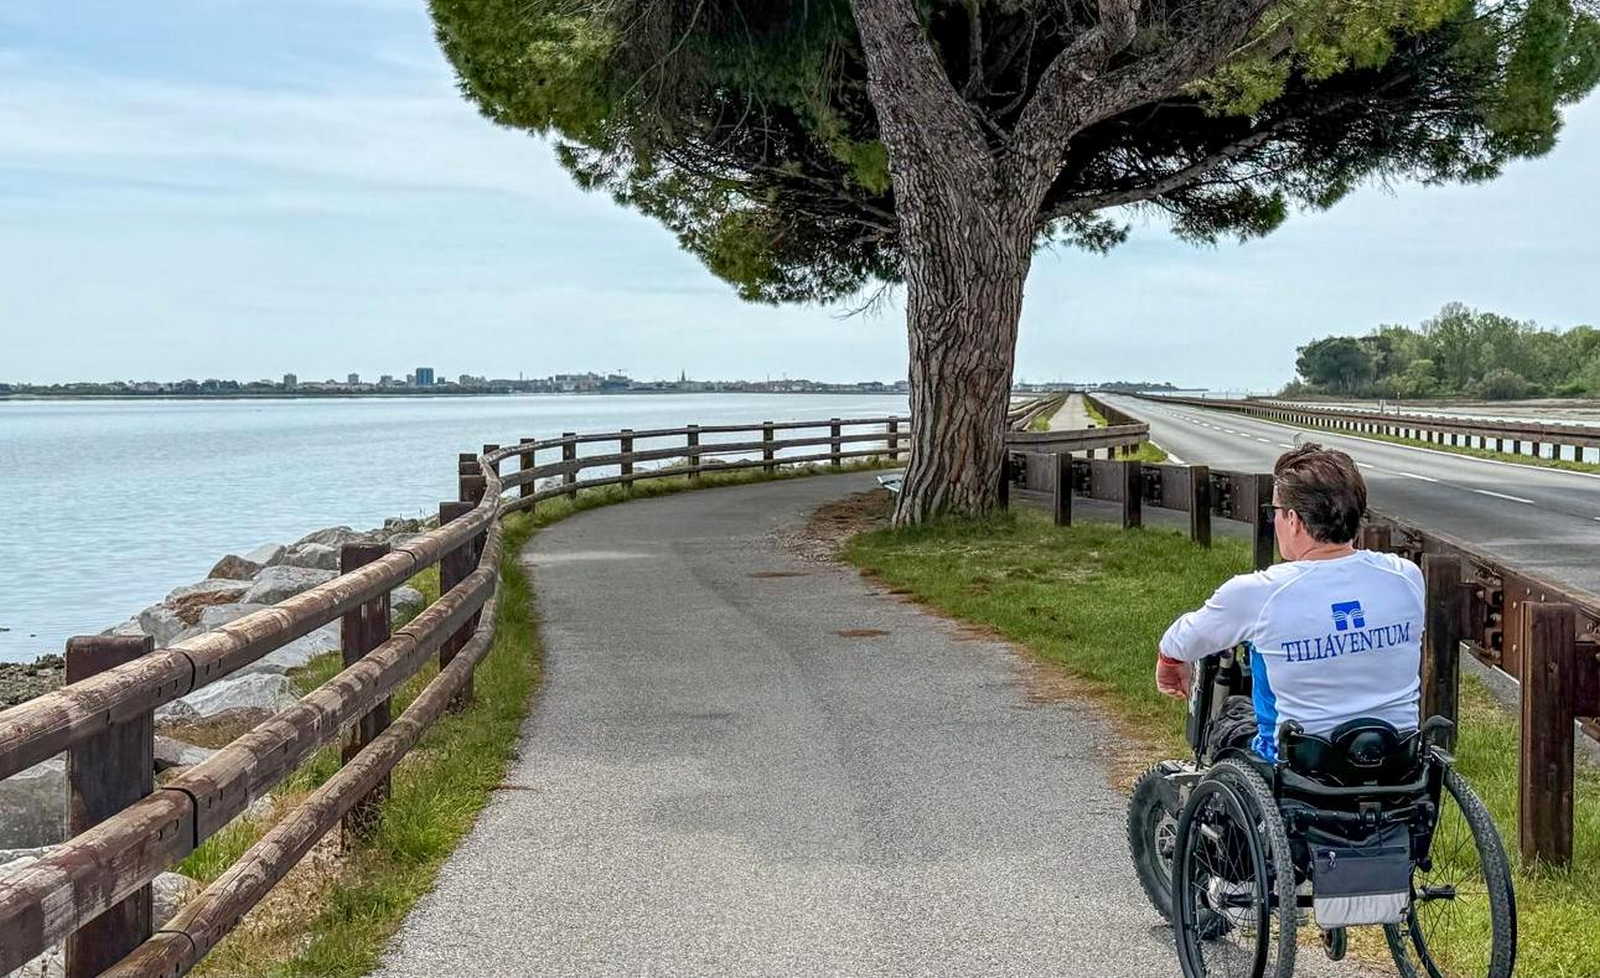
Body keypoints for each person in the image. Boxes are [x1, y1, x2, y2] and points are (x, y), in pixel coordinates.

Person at [1154, 443, 1425, 761]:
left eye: (1276, 511)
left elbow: (1180, 643)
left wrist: (1168, 664)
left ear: (1293, 519)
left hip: (1300, 764)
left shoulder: (1258, 593)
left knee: (1232, 718)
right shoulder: (1406, 575)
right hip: (1397, 756)